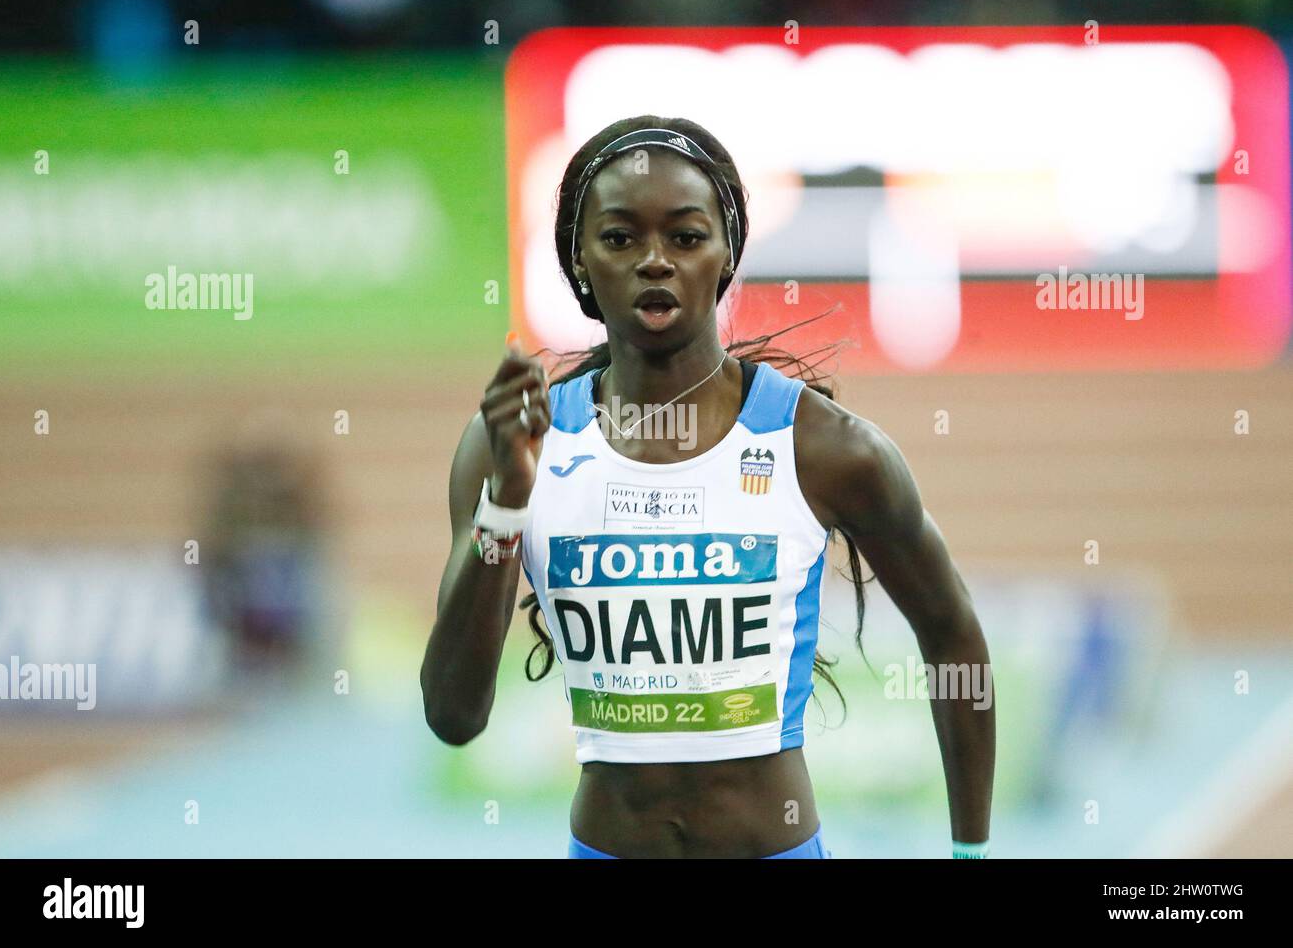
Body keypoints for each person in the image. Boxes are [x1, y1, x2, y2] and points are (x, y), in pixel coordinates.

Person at [421, 115, 994, 858]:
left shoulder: (822, 448)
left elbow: (952, 633)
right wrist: (508, 497)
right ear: (580, 261)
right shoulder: (515, 444)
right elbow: (454, 715)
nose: (655, 261)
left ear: (726, 255)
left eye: (686, 237)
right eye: (620, 238)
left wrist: (970, 852)